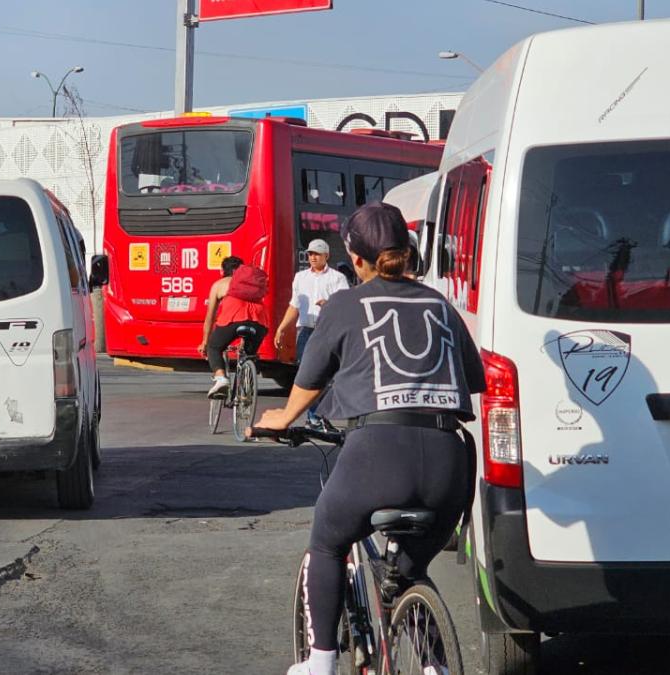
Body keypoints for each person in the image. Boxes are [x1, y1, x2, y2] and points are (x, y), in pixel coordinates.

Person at [253, 203, 485, 675]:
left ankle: (320, 663)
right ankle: (431, 663)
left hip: (377, 454)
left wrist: (284, 417)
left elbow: (311, 377)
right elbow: (473, 379)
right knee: (411, 569)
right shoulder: (439, 304)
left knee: (327, 543)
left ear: (354, 259)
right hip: (448, 461)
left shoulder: (345, 303)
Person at [273, 239, 349, 426]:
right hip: (306, 331)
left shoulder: (337, 278)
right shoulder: (300, 277)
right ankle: (314, 417)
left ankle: (320, 415)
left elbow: (345, 304)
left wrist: (328, 304)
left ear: (326, 256)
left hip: (328, 330)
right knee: (307, 374)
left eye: (317, 254)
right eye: (310, 254)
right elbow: (294, 305)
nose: (313, 257)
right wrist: (282, 328)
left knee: (329, 376)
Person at [198, 256, 269, 398]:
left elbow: (210, 317)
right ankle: (246, 390)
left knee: (214, 347)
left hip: (233, 316)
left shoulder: (219, 284)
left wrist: (205, 341)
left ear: (222, 271)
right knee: (249, 354)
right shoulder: (251, 284)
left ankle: (221, 379)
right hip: (259, 320)